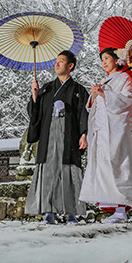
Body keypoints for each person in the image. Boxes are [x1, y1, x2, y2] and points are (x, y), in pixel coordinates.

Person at [79, 47, 132, 223]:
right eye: (102, 59)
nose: (104, 62)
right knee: (104, 167)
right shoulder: (106, 80)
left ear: (117, 60)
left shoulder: (124, 79)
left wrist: (104, 93)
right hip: (101, 131)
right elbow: (93, 107)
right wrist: (94, 96)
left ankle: (121, 208)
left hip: (115, 131)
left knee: (118, 165)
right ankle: (114, 208)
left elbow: (127, 101)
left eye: (107, 58)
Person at [25, 50, 89, 224]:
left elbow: (84, 113)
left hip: (69, 135)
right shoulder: (46, 88)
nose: (57, 64)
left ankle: (72, 214)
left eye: (61, 61)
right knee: (48, 172)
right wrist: (35, 95)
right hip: (49, 135)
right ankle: (48, 213)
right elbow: (35, 114)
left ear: (70, 66)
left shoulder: (79, 90)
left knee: (69, 171)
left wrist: (84, 134)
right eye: (56, 61)